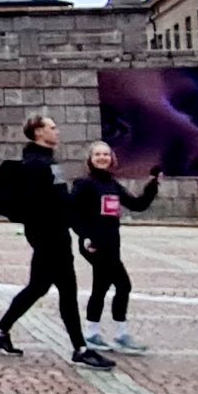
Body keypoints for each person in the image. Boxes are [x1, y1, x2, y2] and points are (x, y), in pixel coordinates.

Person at [0, 115, 115, 369]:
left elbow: (58, 200)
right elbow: (48, 204)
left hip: (51, 233)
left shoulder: (46, 161)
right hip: (49, 235)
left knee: (38, 286)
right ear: (38, 133)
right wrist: (81, 227)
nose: (57, 131)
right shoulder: (37, 164)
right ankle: (80, 348)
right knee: (67, 291)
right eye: (52, 128)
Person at [74, 142, 160, 354]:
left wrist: (152, 185)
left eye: (106, 154)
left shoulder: (112, 184)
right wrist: (85, 237)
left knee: (102, 286)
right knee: (123, 285)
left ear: (111, 158)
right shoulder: (84, 183)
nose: (102, 158)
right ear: (90, 159)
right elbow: (73, 214)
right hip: (94, 244)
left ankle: (92, 332)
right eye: (98, 154)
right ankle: (120, 334)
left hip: (111, 243)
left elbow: (137, 205)